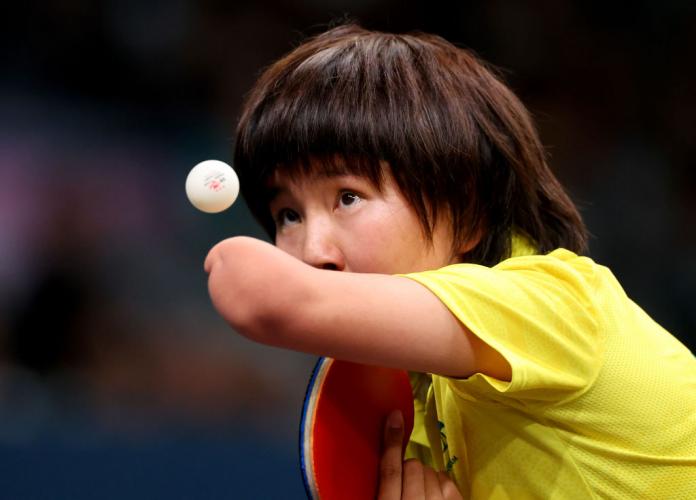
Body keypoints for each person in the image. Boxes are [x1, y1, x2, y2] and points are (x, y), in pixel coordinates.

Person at [204, 23, 696, 498]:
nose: (312, 252)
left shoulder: (552, 304)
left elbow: (257, 293)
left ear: (467, 211)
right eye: (288, 214)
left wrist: (228, 259)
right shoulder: (417, 415)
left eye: (348, 197)